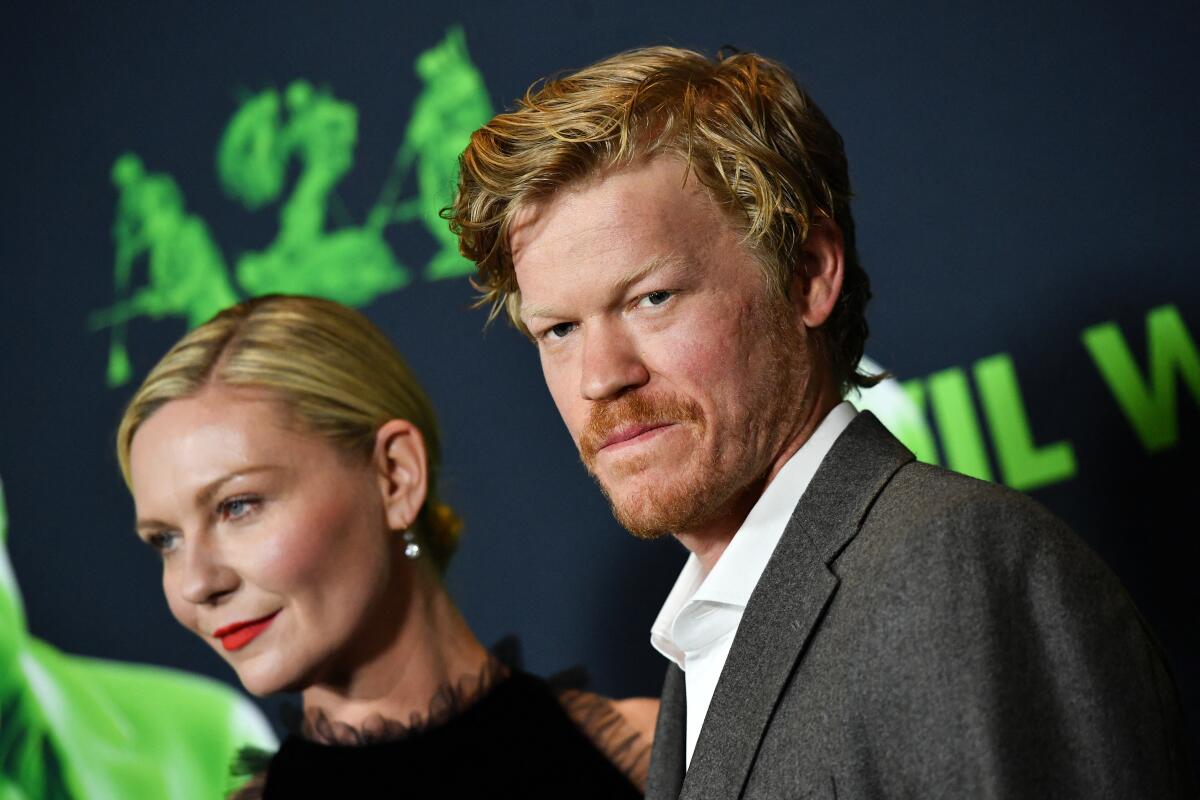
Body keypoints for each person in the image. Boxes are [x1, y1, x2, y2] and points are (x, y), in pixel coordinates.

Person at [449, 46, 1195, 798]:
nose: (602, 376)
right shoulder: (708, 640)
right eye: (559, 331)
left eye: (651, 299)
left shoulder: (945, 576)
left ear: (807, 274)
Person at [116, 294, 655, 798]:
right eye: (166, 540)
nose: (196, 583)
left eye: (238, 506)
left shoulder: (655, 755)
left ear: (395, 477)